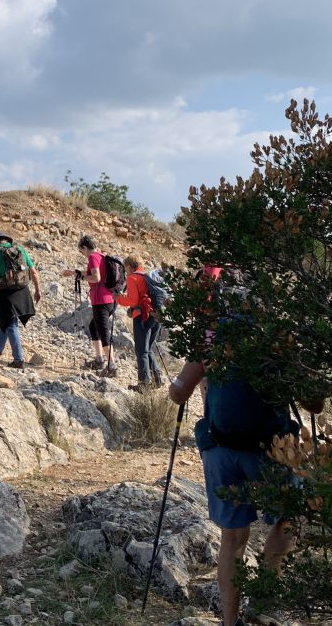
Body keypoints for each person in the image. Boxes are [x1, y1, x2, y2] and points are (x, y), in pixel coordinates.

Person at [169, 269, 299, 626]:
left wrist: (181, 386)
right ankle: (263, 602)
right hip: (270, 450)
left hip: (221, 449)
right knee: (287, 518)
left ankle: (230, 621)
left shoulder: (211, 337)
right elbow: (315, 404)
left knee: (232, 537)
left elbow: (179, 391)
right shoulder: (279, 338)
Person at [0, 231, 42, 369]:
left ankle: (18, 359)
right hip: (23, 292)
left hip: (6, 295)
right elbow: (33, 272)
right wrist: (38, 291)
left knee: (11, 324)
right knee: (5, 322)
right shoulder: (20, 250)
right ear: (6, 240)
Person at [61, 236, 117, 377]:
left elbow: (96, 277)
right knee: (93, 327)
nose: (82, 254)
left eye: (81, 251)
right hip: (110, 300)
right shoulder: (100, 256)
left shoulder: (92, 257)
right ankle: (99, 360)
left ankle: (112, 366)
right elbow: (93, 273)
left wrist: (80, 278)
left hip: (101, 301)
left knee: (103, 332)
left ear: (85, 248)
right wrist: (75, 272)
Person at [116, 255, 165, 392]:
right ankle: (157, 378)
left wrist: (118, 298)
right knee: (148, 348)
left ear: (130, 266)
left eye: (125, 268)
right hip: (157, 316)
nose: (125, 271)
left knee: (141, 350)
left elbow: (132, 300)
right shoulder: (147, 276)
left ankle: (144, 383)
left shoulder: (133, 278)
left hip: (142, 317)